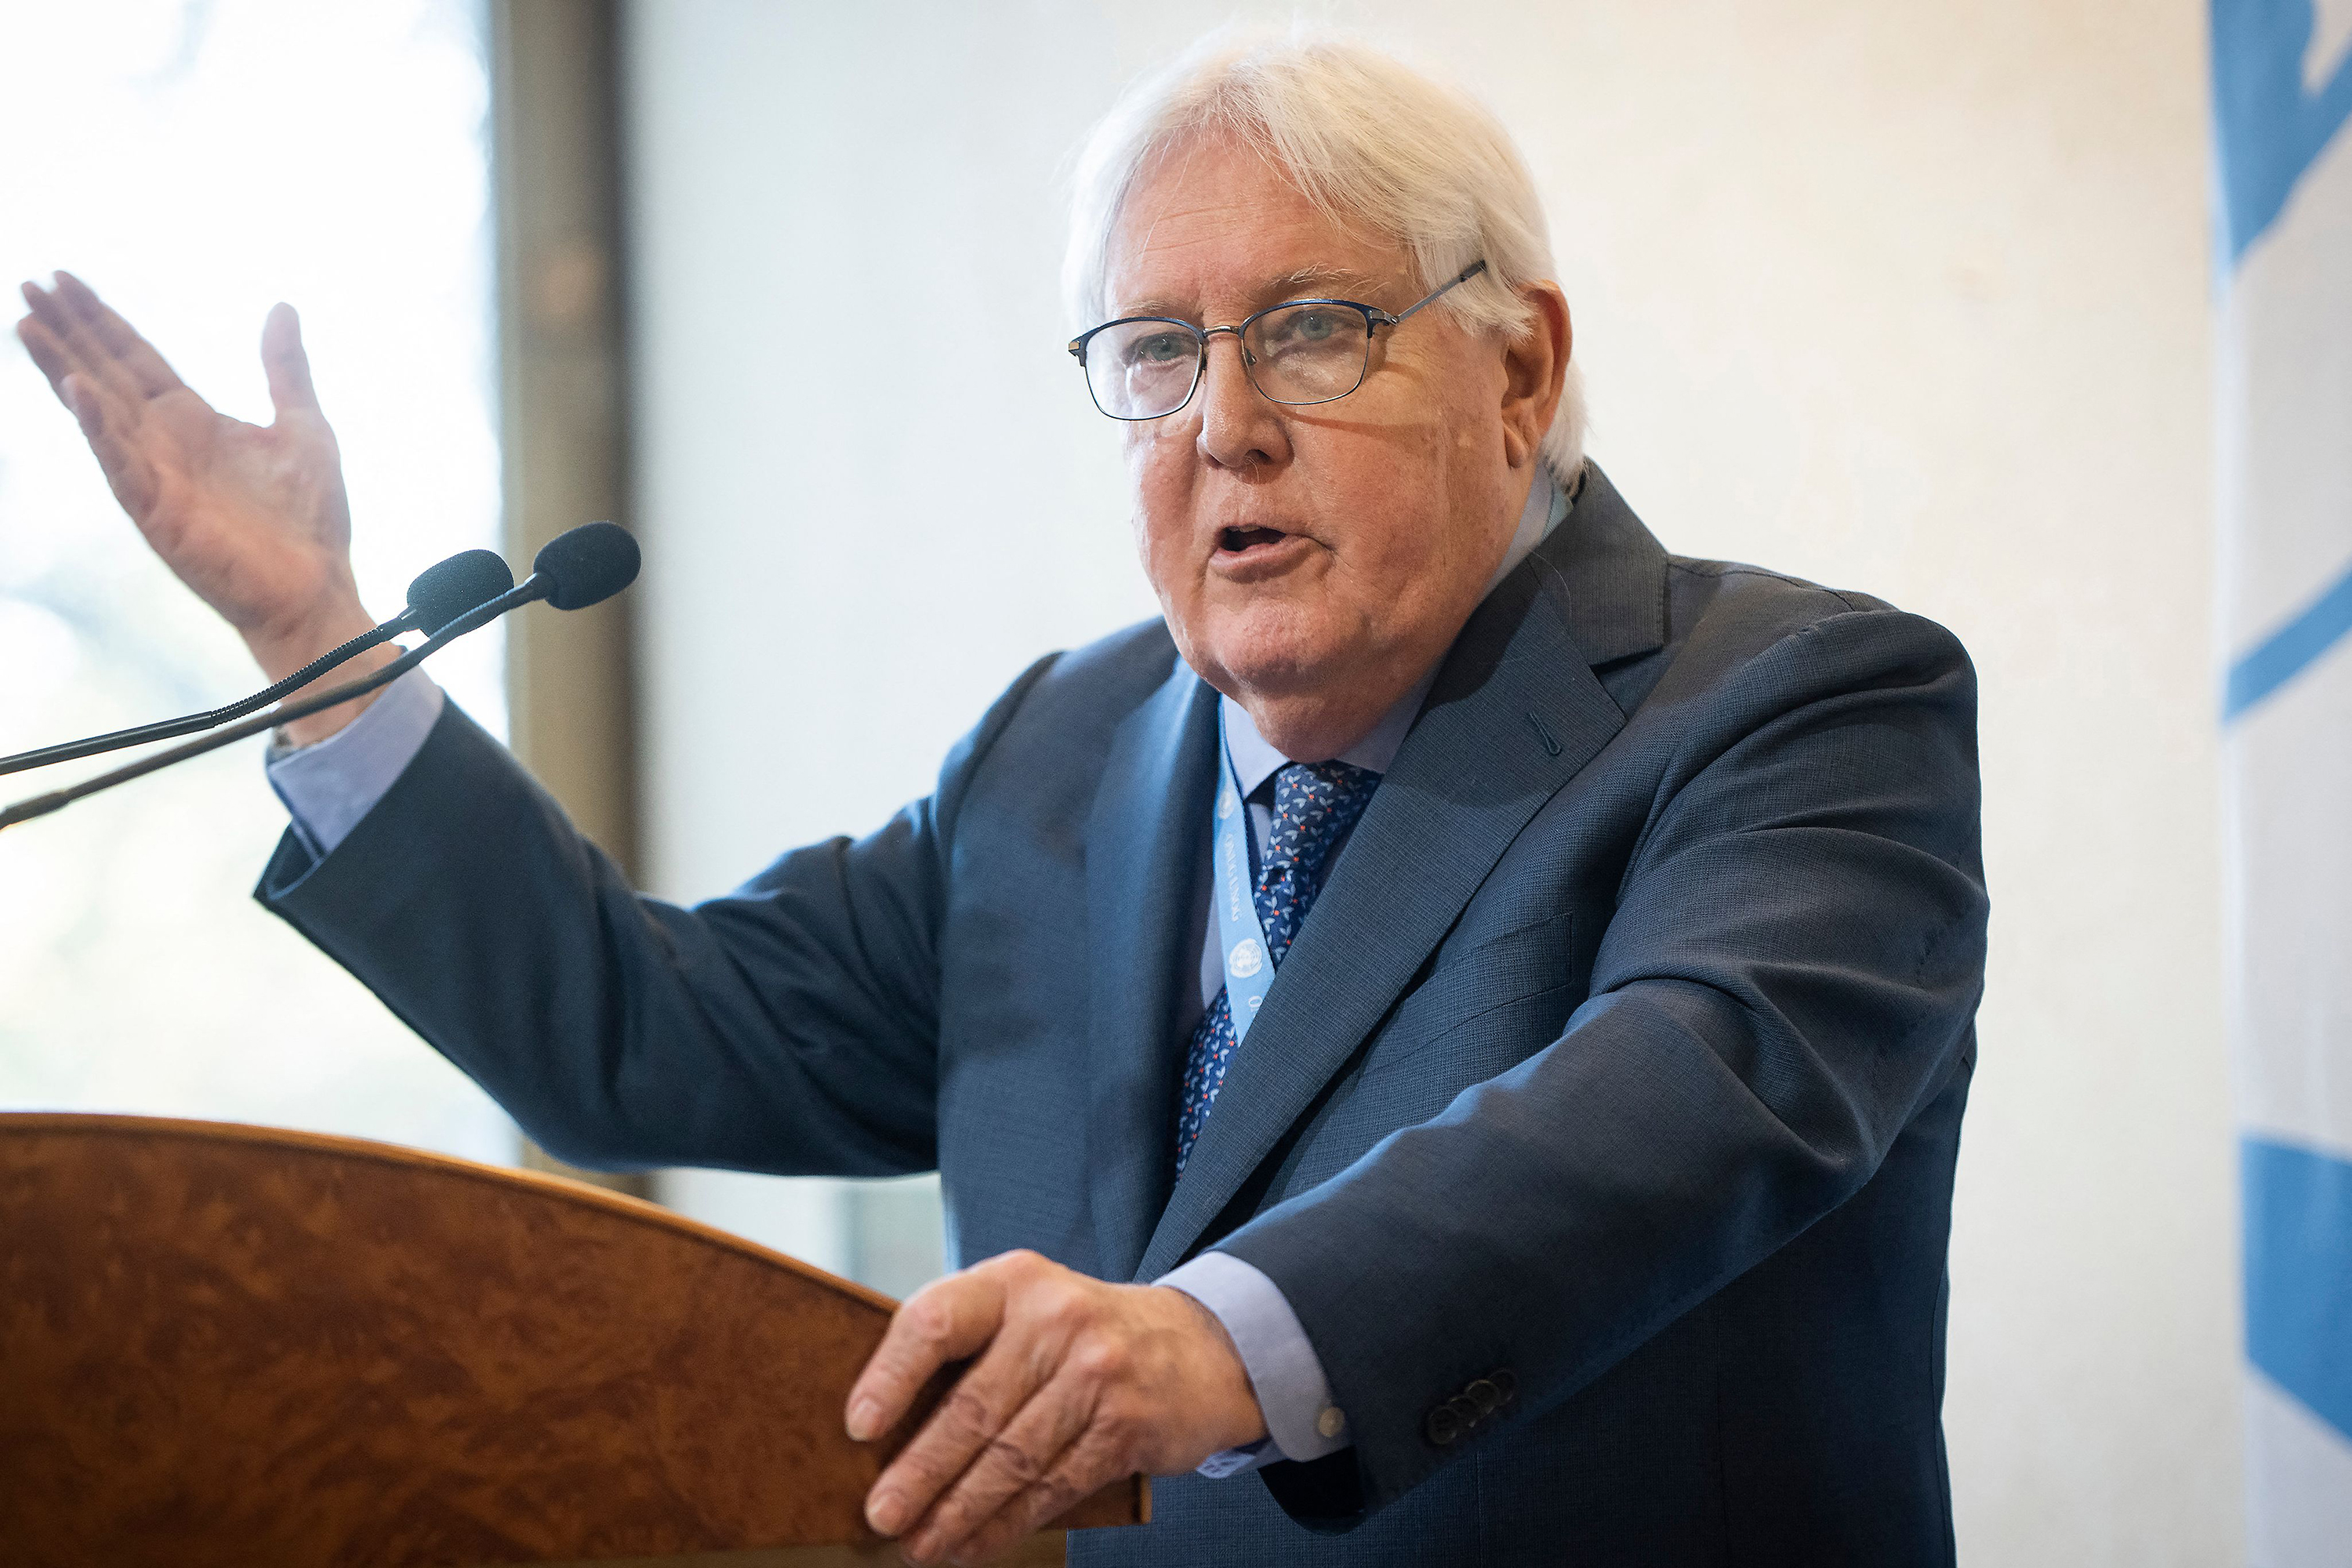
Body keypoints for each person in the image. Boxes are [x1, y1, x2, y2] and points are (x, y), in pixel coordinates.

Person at [15, 28, 1987, 1568]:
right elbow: (633, 1031)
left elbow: (1691, 1094)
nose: (1227, 424)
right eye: (1157, 350)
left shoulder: (1796, 706)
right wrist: (322, 641)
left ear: (1521, 374)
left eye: (1316, 326)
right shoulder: (1059, 755)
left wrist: (1221, 1336)